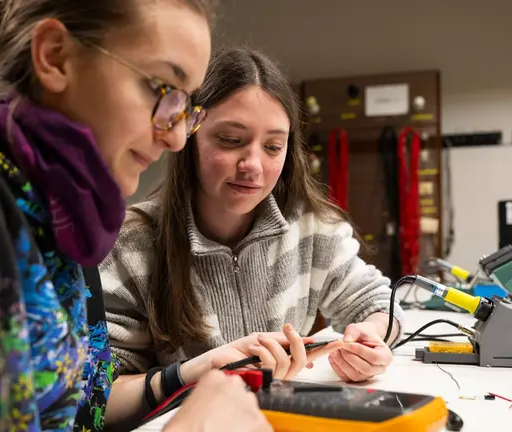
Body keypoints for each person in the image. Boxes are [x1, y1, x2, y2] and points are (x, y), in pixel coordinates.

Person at [0, 1, 272, 431]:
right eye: (162, 90)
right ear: (54, 56)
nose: (175, 137)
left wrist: (189, 373)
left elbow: (76, 413)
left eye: (185, 107)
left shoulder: (61, 220)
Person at [100, 46, 405, 423]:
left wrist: (372, 339)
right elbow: (98, 398)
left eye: (273, 146)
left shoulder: (312, 228)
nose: (253, 166)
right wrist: (195, 372)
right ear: (188, 139)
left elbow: (379, 302)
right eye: (230, 140)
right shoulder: (132, 244)